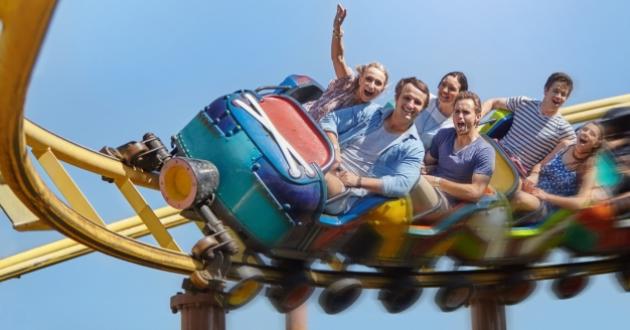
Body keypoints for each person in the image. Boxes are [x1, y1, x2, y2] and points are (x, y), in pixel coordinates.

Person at [319, 77, 429, 214]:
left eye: (417, 102)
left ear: (422, 109)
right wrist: (335, 152)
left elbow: (402, 185)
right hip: (325, 161)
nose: (411, 105)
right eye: (407, 98)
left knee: (317, 177)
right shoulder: (371, 112)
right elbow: (330, 120)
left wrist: (357, 181)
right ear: (397, 98)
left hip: (345, 192)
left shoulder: (414, 147)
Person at [303, 4, 388, 121]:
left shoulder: (365, 114)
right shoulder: (348, 83)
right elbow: (338, 57)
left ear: (382, 90)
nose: (372, 85)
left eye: (378, 83)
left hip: (316, 137)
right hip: (303, 118)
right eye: (368, 79)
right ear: (361, 79)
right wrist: (337, 29)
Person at [480, 72, 577, 175]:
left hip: (516, 171)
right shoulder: (524, 103)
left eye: (563, 94)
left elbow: (577, 147)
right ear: (546, 90)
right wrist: (477, 117)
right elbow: (493, 102)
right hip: (496, 153)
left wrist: (539, 169)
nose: (558, 96)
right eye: (556, 91)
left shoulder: (563, 127)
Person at [422, 91, 495, 205]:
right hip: (425, 188)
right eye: (457, 112)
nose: (460, 116)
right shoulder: (444, 135)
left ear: (477, 117)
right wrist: (422, 167)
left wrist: (438, 182)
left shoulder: (484, 150)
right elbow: (427, 161)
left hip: (444, 203)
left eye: (466, 112)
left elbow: (476, 192)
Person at [512, 122, 604, 212]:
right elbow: (541, 164)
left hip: (545, 204)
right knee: (513, 181)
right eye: (585, 129)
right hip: (532, 188)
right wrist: (534, 175)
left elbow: (581, 202)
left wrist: (546, 196)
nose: (586, 133)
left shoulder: (588, 168)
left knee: (520, 197)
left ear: (596, 143)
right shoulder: (565, 146)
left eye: (592, 134)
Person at [415, 71, 469, 149]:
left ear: (460, 96)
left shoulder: (453, 126)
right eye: (443, 84)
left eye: (452, 89)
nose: (445, 90)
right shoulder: (423, 98)